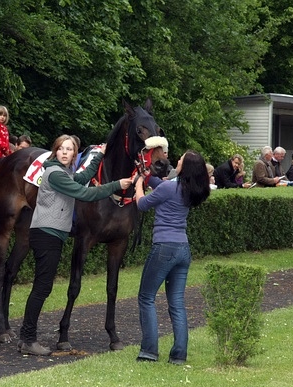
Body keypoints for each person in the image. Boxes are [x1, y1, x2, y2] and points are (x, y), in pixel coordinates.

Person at [18, 134, 133, 356]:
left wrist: (98, 156)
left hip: (52, 234)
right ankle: (28, 339)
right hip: (46, 234)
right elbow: (84, 192)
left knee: (43, 287)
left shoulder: (64, 173)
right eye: (61, 148)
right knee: (42, 288)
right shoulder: (54, 173)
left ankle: (26, 337)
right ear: (55, 151)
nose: (64, 152)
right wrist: (116, 185)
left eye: (69, 149)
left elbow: (83, 178)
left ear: (74, 154)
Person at [134, 150, 211, 364]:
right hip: (183, 249)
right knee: (176, 303)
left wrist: (138, 184)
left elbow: (142, 204)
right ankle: (178, 355)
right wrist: (147, 175)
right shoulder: (189, 189)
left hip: (164, 248)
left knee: (146, 297)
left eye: (180, 160)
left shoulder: (170, 188)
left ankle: (149, 351)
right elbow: (161, 186)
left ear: (184, 167)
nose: (177, 161)